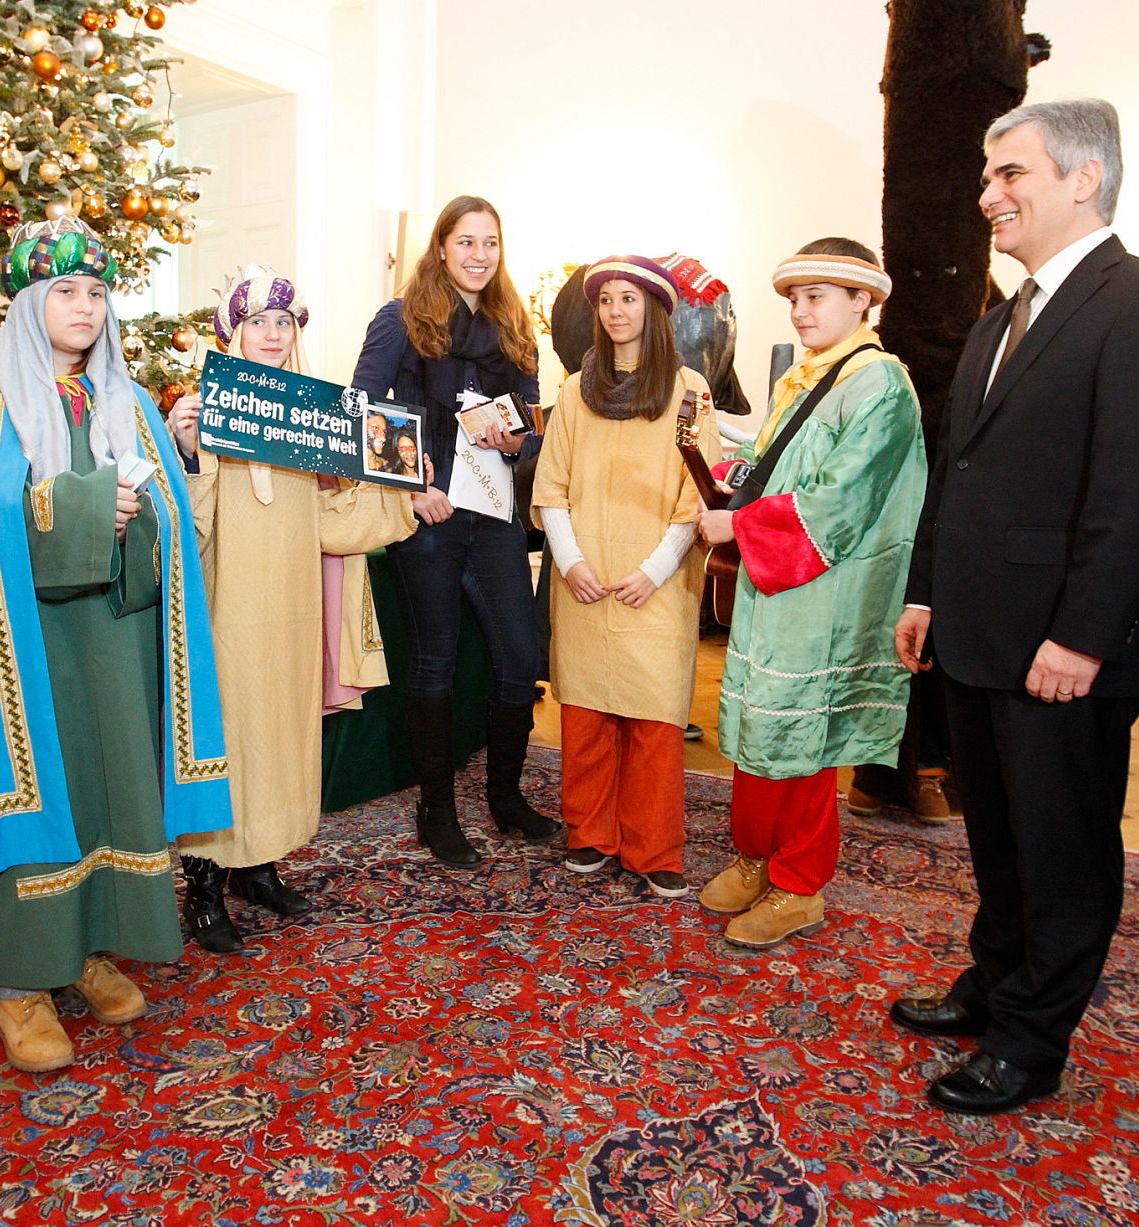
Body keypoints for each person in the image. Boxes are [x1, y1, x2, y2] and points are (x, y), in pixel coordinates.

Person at [890, 99, 1139, 1114]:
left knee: (1060, 847)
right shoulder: (998, 318)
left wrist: (1080, 636)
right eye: (987, 175)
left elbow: (1137, 494)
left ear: (1083, 178)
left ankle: (1030, 1042)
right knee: (997, 833)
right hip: (975, 633)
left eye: (1010, 173)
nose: (987, 194)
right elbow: (956, 471)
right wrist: (925, 591)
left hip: (1061, 650)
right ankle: (995, 983)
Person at [0, 217, 233, 1071]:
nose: (85, 307)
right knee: (37, 796)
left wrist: (138, 515)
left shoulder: (125, 401)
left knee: (107, 785)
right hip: (23, 648)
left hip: (115, 636)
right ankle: (20, 980)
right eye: (63, 291)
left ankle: (87, 949)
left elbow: (169, 521)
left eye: (96, 292)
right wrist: (89, 509)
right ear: (27, 301)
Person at [165, 266, 414, 952]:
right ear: (233, 333)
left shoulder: (312, 418)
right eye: (258, 322)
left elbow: (330, 522)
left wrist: (390, 476)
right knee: (230, 741)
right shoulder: (204, 410)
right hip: (230, 608)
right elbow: (189, 521)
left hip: (294, 610)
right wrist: (185, 448)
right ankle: (205, 888)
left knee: (279, 738)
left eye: (284, 322)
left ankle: (259, 868)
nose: (273, 334)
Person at [696, 239, 926, 949]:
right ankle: (756, 856)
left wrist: (738, 523)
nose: (799, 311)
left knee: (803, 735)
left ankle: (799, 884)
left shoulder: (879, 383)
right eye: (795, 297)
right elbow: (776, 464)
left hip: (826, 592)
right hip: (777, 586)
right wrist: (728, 475)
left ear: (862, 300)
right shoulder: (807, 376)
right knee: (760, 728)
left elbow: (839, 503)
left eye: (816, 296)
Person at [350, 194, 557, 867]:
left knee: (519, 658)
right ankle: (436, 810)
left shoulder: (515, 326)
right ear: (441, 247)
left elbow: (531, 427)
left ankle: (505, 797)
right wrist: (412, 488)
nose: (479, 255)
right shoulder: (399, 320)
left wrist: (515, 439)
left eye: (490, 243)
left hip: (494, 519)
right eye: (466, 241)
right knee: (434, 660)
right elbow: (361, 412)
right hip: (430, 518)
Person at [533, 256, 717, 896]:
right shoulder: (573, 392)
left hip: (656, 580)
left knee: (653, 719)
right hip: (584, 575)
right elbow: (552, 485)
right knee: (585, 715)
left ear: (655, 309)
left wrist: (655, 569)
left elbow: (696, 494)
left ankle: (653, 845)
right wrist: (571, 561)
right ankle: (589, 832)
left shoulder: (689, 392)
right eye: (606, 299)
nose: (615, 311)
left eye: (628, 299)